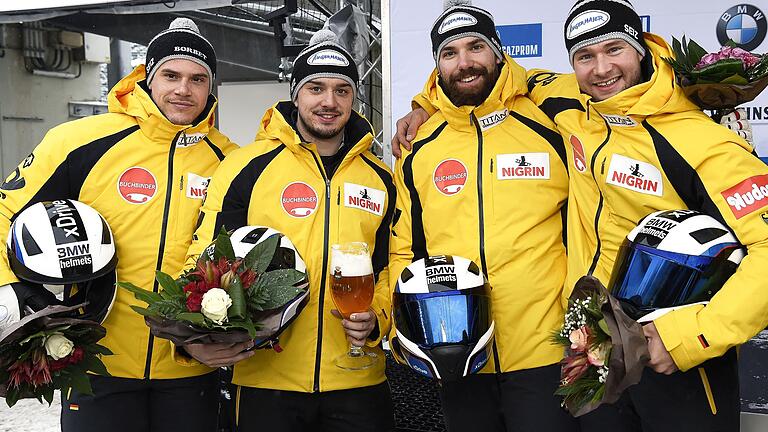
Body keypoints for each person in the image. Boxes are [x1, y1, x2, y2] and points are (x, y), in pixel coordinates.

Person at [396, 1, 767, 430]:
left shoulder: (700, 139)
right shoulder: (571, 109)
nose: (601, 68)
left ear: (643, 49)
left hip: (675, 356)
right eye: (585, 56)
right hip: (596, 349)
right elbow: (481, 79)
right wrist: (426, 103)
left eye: (615, 50)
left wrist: (693, 336)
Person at [0, 18, 238, 432]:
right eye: (171, 75)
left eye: (198, 79)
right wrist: (25, 297)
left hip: (191, 370)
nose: (183, 89)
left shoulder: (231, 161)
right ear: (147, 76)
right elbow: (6, 213)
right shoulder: (78, 142)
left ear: (211, 87)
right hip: (97, 366)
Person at [182, 29, 396, 432]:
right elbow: (205, 257)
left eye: (342, 90)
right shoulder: (246, 166)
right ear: (296, 94)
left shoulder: (381, 178)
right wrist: (197, 332)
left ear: (354, 99)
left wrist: (379, 318)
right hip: (266, 378)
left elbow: (393, 263)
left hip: (357, 379)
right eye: (316, 88)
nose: (329, 102)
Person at [387, 2, 577, 431]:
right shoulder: (419, 145)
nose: (465, 62)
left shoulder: (551, 122)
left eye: (476, 47)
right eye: (449, 53)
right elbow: (404, 247)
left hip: (546, 349)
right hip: (456, 350)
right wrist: (403, 327)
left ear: (498, 53)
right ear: (436, 67)